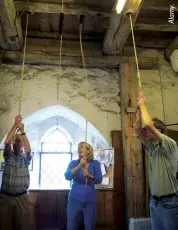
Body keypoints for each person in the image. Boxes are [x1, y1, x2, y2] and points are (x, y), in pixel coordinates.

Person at [135, 92, 178, 230]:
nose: (145, 131)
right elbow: (138, 129)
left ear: (158, 130)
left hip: (169, 202)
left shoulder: (170, 143)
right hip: (154, 201)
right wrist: (138, 111)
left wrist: (143, 105)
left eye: (149, 130)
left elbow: (147, 124)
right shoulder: (151, 146)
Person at [0, 115, 32, 230]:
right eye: (16, 141)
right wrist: (15, 124)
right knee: (4, 226)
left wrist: (22, 132)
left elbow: (28, 150)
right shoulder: (8, 156)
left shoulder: (26, 159)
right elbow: (7, 142)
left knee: (23, 226)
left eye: (20, 142)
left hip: (22, 199)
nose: (19, 143)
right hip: (6, 198)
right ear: (14, 144)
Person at [64, 142, 102, 230]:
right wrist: (79, 166)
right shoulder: (73, 163)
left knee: (90, 227)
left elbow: (99, 180)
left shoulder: (95, 163)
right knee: (71, 226)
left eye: (81, 147)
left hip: (90, 201)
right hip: (74, 200)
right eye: (78, 147)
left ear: (89, 151)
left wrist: (88, 175)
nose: (79, 149)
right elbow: (67, 176)